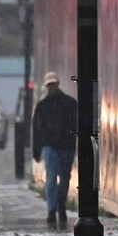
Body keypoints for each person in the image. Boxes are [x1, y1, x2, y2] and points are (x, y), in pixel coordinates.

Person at [32, 71, 78, 228]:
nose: (51, 87)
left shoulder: (64, 104)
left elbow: (37, 129)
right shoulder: (65, 104)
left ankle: (59, 206)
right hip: (54, 146)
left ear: (57, 84)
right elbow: (37, 130)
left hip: (64, 146)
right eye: (49, 85)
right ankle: (54, 210)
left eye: (53, 84)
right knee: (53, 177)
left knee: (64, 178)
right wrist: (37, 149)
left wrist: (37, 149)